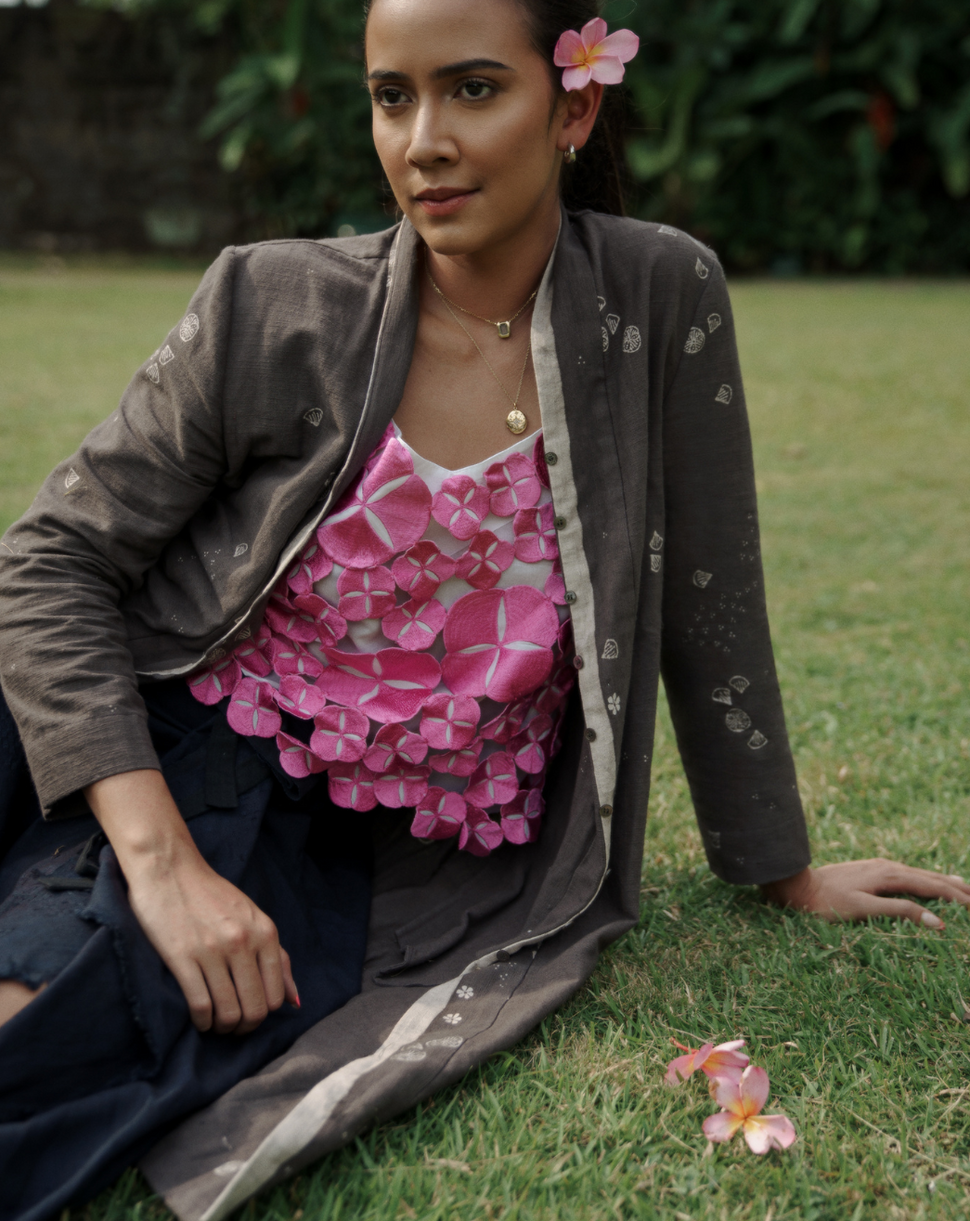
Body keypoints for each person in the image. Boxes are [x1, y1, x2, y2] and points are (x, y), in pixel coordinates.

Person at [1, 0, 967, 1217]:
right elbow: (50, 561)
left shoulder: (655, 298)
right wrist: (162, 864)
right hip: (170, 740)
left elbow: (709, 593)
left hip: (350, 846)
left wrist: (778, 867)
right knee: (59, 969)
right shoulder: (272, 302)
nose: (422, 142)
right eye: (390, 97)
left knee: (75, 1031)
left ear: (573, 105)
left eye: (470, 89)